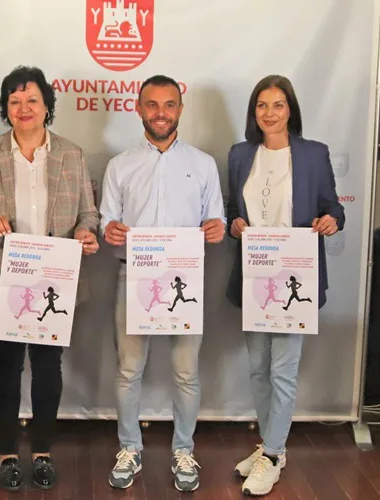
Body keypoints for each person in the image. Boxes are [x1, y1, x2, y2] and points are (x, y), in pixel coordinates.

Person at [0, 65, 100, 491]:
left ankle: (42, 451)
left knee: (47, 367)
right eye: (15, 101)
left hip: (54, 279)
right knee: (4, 366)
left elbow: (89, 213)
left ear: (47, 106)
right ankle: (7, 453)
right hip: (6, 276)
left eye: (32, 100)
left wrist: (85, 232)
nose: (24, 108)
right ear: (5, 108)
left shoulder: (71, 155)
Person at [99, 74, 226, 492]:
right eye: (152, 105)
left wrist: (216, 228)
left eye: (168, 105)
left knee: (186, 373)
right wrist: (110, 230)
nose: (160, 113)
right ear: (138, 108)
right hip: (132, 276)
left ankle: (183, 449)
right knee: (128, 370)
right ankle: (130, 448)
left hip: (184, 279)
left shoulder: (203, 164)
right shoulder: (120, 165)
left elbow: (218, 220)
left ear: (180, 110)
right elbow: (106, 221)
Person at [226, 75, 345, 496]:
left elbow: (333, 207)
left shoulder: (313, 154)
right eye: (262, 105)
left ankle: (274, 454)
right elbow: (229, 214)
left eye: (278, 104)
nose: (269, 113)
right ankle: (269, 447)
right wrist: (234, 225)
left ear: (290, 109)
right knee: (258, 367)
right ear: (253, 112)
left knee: (283, 370)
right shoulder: (241, 155)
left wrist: (332, 220)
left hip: (296, 273)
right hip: (256, 274)